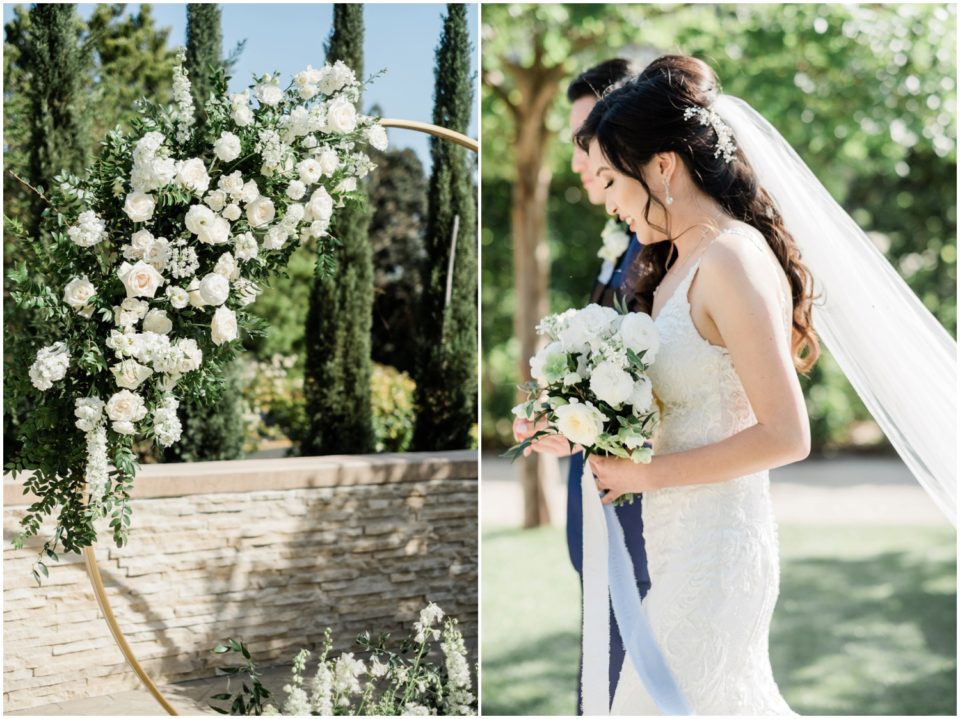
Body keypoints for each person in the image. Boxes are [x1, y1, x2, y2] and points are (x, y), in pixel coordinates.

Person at [570, 54, 817, 714]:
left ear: (663, 167)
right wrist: (573, 417)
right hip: (676, 546)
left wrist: (644, 476)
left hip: (719, 553)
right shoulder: (674, 262)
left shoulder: (731, 257)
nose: (614, 204)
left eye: (614, 181)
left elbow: (788, 434)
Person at [513, 58, 651, 712]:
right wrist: (560, 416)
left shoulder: (662, 247)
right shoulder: (621, 239)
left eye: (583, 138)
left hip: (640, 521)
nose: (576, 160)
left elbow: (655, 385)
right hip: (596, 513)